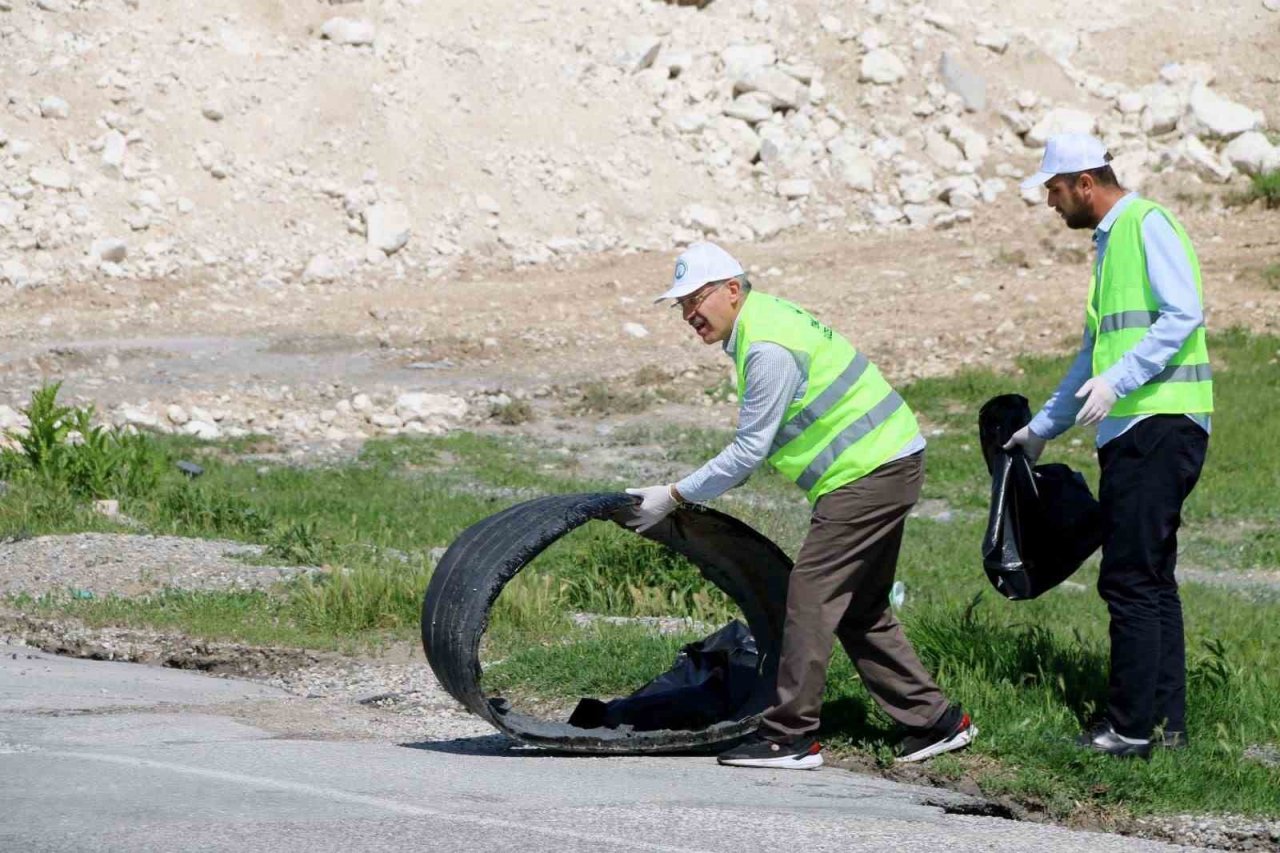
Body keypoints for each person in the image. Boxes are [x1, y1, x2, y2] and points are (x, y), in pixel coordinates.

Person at [622, 241, 975, 770]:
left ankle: (790, 736)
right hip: (885, 462)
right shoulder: (764, 321)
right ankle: (935, 722)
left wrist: (673, 496)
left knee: (809, 597)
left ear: (733, 290)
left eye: (696, 299)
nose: (689, 314)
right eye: (681, 305)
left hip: (868, 473)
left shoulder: (766, 347)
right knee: (860, 606)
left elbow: (748, 451)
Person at [1006, 133, 1212, 759]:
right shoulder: (1110, 245)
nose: (1050, 202)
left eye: (1055, 189)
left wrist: (1119, 380)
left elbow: (1184, 314)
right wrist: (1042, 428)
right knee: (1150, 581)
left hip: (1158, 424)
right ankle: (1164, 729)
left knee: (1128, 580)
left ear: (1086, 183)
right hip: (1140, 428)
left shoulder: (1146, 224)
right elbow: (1092, 357)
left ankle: (1127, 730)